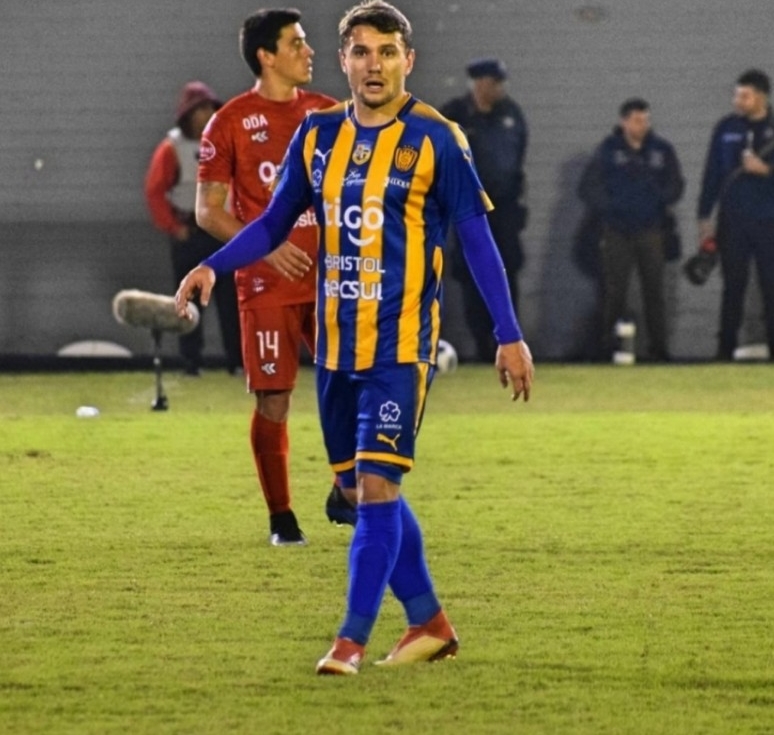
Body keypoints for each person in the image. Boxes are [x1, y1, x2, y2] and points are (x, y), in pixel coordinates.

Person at [175, 0, 534, 675]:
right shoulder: (317, 135)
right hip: (335, 350)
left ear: (408, 61)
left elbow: (478, 240)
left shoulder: (437, 138)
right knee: (356, 488)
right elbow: (273, 223)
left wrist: (508, 335)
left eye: (387, 52)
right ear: (343, 61)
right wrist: (212, 266)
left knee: (376, 487)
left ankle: (350, 641)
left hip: (400, 348)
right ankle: (429, 621)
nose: (375, 65)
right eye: (362, 52)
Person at [195, 10, 337, 546]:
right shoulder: (229, 122)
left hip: (332, 280)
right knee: (274, 398)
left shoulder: (329, 113)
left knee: (353, 385)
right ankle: (282, 518)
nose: (308, 51)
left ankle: (346, 488)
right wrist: (268, 247)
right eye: (296, 43)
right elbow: (207, 211)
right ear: (266, 56)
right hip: (266, 284)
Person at [144, 81, 242, 376]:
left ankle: (237, 360)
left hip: (222, 231)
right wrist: (174, 227)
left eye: (210, 108)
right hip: (191, 232)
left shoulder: (226, 141)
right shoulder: (172, 148)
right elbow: (155, 191)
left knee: (231, 301)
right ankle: (191, 361)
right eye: (200, 110)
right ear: (187, 115)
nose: (207, 114)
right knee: (189, 300)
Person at [578, 98, 684, 362]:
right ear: (624, 122)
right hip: (617, 230)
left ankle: (659, 349)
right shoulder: (609, 150)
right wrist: (612, 207)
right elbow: (589, 187)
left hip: (651, 229)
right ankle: (608, 347)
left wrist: (659, 199)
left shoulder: (661, 150)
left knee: (654, 291)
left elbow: (676, 184)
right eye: (637, 120)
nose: (642, 125)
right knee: (615, 291)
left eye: (645, 120)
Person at [440, 58, 529, 362]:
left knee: (508, 271)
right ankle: (482, 345)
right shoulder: (455, 114)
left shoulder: (511, 113)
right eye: (495, 82)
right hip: (468, 207)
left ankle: (509, 340)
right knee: (471, 276)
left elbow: (517, 158)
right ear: (480, 84)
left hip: (505, 209)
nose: (500, 88)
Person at [697, 69, 774, 361]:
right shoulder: (726, 128)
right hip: (733, 221)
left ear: (761, 97)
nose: (737, 101)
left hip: (769, 221)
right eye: (736, 95)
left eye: (745, 96)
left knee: (771, 287)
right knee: (732, 288)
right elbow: (712, 174)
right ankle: (724, 350)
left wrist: (766, 171)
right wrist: (704, 216)